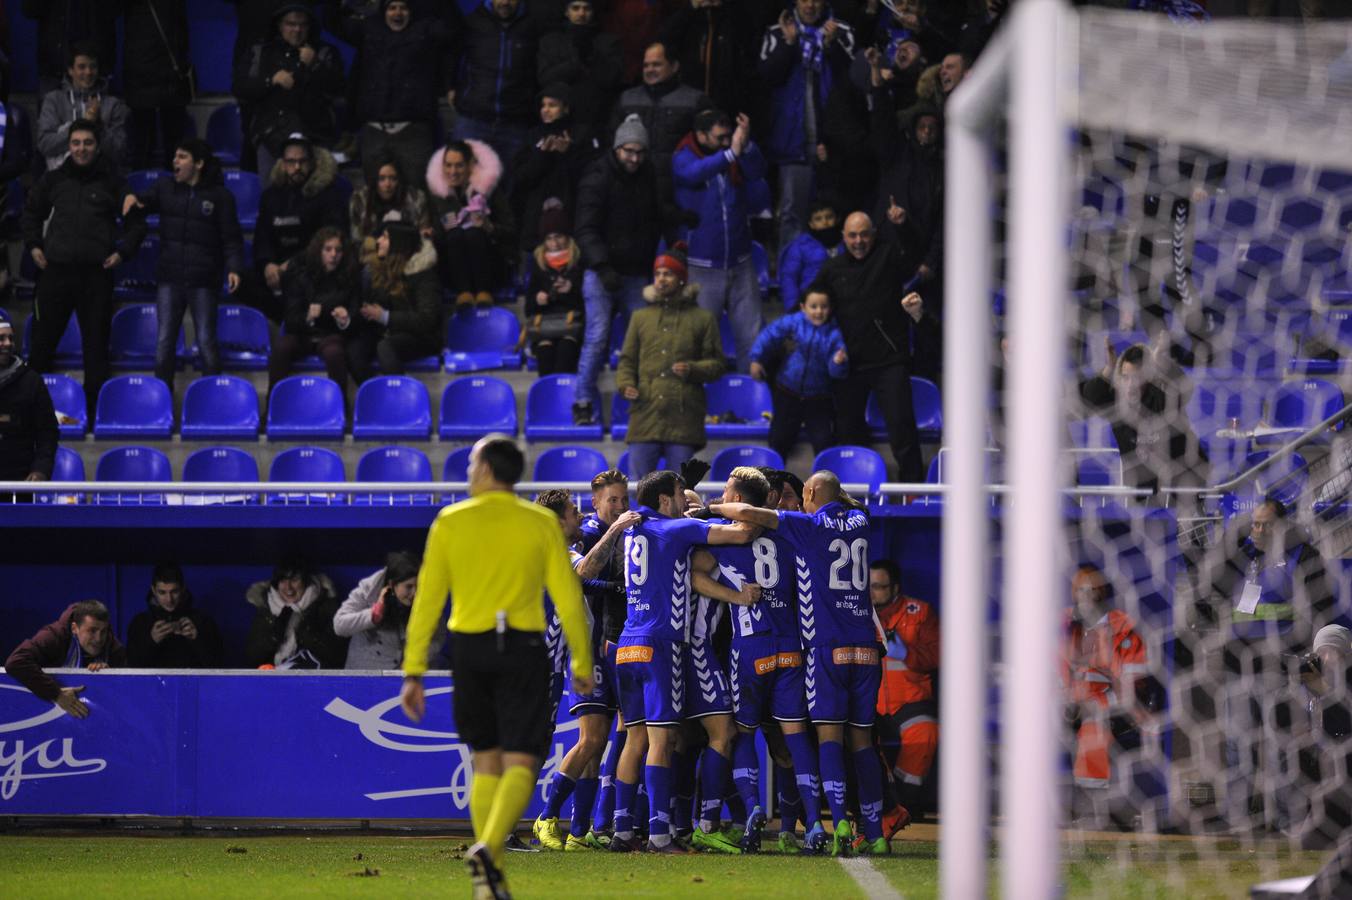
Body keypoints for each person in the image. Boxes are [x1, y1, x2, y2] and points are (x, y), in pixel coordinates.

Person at [400, 436, 595, 900]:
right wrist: (582, 661)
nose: (468, 469)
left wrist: (413, 671)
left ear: (486, 469)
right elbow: (567, 596)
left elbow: (428, 599)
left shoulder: (451, 521)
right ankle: (490, 850)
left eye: (471, 462)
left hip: (468, 648)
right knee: (524, 759)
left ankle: (488, 877)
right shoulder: (538, 523)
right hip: (523, 649)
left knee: (485, 758)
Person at [710, 470, 889, 856]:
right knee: (858, 741)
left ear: (809, 492)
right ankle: (869, 832)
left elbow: (744, 515)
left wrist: (705, 508)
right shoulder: (860, 520)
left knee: (819, 737)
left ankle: (835, 819)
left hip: (819, 648)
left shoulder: (804, 526)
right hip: (859, 647)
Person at [607, 469, 755, 853]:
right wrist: (710, 509)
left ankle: (622, 830)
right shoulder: (673, 530)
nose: (682, 501)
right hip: (661, 645)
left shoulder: (633, 532)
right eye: (678, 495)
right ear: (664, 501)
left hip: (627, 644)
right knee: (662, 741)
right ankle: (659, 835)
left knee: (634, 740)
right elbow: (743, 533)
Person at [691, 466, 823, 854]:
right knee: (796, 737)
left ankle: (752, 809)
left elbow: (696, 577)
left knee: (743, 732)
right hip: (791, 647)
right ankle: (813, 822)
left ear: (734, 497)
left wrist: (734, 596)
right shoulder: (790, 530)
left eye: (727, 492)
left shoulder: (725, 538)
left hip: (750, 647)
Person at [1206, 498, 1337, 831]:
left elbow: (1321, 609)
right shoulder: (1244, 558)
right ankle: (1237, 820)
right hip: (1238, 668)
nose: (1257, 530)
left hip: (1280, 670)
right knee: (1237, 746)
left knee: (1283, 749)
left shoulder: (1303, 557)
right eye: (1255, 523)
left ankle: (1289, 821)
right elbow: (1213, 593)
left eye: (1264, 524)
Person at [533, 489, 644, 850]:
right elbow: (585, 572)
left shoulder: (564, 553)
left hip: (574, 656)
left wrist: (615, 587)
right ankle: (546, 818)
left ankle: (579, 832)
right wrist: (614, 532)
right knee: (590, 739)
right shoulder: (554, 552)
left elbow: (587, 581)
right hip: (554, 661)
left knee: (595, 746)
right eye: (572, 512)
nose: (578, 517)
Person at [22, 119, 147, 423]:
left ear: (98, 146)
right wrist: (34, 245)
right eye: (75, 143)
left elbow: (137, 224)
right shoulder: (53, 179)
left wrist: (122, 252)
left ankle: (94, 416)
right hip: (55, 275)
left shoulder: (114, 182)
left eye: (87, 143)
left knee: (95, 349)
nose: (81, 148)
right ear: (68, 146)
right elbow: (30, 213)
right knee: (40, 347)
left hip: (96, 278)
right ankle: (32, 416)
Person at [571, 115, 676, 427]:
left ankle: (643, 400)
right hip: (601, 273)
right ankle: (582, 401)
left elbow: (658, 215)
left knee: (644, 339)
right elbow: (585, 228)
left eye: (639, 152)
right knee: (597, 335)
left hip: (636, 273)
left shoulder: (649, 176)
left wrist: (675, 238)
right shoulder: (597, 177)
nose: (634, 158)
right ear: (617, 149)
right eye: (628, 151)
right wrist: (602, 266)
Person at [810, 211, 929, 482]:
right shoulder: (832, 268)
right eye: (852, 235)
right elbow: (810, 302)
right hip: (850, 363)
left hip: (890, 360)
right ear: (843, 238)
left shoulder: (889, 256)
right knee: (847, 430)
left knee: (902, 429)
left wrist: (903, 226)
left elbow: (913, 256)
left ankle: (913, 492)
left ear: (873, 235)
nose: (859, 240)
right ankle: (854, 492)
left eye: (864, 234)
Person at [127, 138, 246, 397]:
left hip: (204, 279)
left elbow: (232, 239)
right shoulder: (165, 187)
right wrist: (132, 200)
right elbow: (143, 203)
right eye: (174, 156)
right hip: (169, 277)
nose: (175, 162)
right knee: (164, 342)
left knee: (205, 341)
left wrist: (235, 267)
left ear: (199, 163)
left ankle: (212, 397)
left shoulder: (220, 197)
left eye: (182, 157)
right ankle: (163, 399)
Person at [1061, 562, 1163, 828]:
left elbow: (1134, 689)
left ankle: (1091, 810)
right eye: (1078, 590)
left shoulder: (1124, 630)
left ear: (1101, 592)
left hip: (1120, 709)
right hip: (1070, 706)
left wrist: (1092, 706)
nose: (1082, 597)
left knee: (1093, 729)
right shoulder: (1064, 627)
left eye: (1089, 590)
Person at [615, 244, 726, 479]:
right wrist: (625, 384)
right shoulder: (640, 318)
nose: (661, 279)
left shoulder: (703, 318)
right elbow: (627, 360)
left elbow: (717, 364)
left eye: (668, 273)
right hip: (645, 414)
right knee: (639, 489)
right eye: (657, 274)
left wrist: (693, 369)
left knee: (681, 493)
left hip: (683, 419)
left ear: (682, 279)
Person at [672, 109, 767, 373]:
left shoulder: (734, 153)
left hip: (740, 259)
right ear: (701, 135)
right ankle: (698, 398)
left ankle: (754, 396)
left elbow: (757, 170)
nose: (727, 142)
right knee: (699, 338)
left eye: (729, 137)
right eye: (719, 137)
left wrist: (745, 144)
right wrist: (731, 153)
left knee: (752, 333)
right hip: (702, 264)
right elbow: (694, 173)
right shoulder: (683, 156)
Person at [758, 0, 856, 250]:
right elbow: (767, 78)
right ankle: (791, 274)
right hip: (791, 139)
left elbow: (852, 82)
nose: (810, 5)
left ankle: (834, 276)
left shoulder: (842, 31)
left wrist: (832, 46)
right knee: (792, 212)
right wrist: (789, 44)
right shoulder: (776, 32)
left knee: (834, 211)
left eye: (816, 0)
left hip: (833, 141)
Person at [332, 0, 455, 190]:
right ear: (384, 11)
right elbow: (332, 21)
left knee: (418, 196)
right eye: (392, 8)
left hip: (414, 133)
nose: (397, 13)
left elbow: (453, 30)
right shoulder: (368, 29)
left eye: (403, 7)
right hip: (374, 132)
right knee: (375, 195)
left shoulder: (426, 31)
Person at [1079, 337, 1208, 495]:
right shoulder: (1118, 403)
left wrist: (1161, 361)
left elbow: (1183, 388)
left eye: (1137, 377)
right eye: (1126, 377)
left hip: (1183, 486)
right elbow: (1091, 396)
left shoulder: (1159, 397)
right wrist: (1109, 367)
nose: (1131, 384)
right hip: (1143, 493)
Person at [233, 2, 346, 176]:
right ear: (279, 25)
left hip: (314, 138)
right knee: (272, 198)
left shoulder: (325, 52)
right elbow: (239, 88)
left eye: (302, 25)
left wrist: (315, 65)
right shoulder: (260, 51)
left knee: (313, 199)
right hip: (269, 137)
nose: (297, 30)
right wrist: (270, 81)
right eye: (291, 24)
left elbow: (339, 89)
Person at [870, 558, 938, 834]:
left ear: (894, 587)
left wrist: (907, 653)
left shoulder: (920, 612)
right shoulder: (857, 611)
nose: (873, 593)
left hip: (910, 698)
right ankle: (877, 807)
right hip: (870, 700)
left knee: (925, 732)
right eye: (869, 586)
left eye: (880, 587)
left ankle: (904, 806)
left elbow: (938, 654)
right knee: (859, 742)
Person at [252, 133, 349, 321]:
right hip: (277, 266)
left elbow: (330, 238)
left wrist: (293, 264)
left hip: (310, 265)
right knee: (240, 281)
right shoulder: (271, 196)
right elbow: (262, 237)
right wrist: (267, 265)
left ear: (311, 162)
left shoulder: (328, 194)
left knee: (301, 279)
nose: (297, 167)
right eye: (291, 162)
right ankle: (285, 318)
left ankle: (293, 322)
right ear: (282, 163)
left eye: (302, 161)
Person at [749, 286, 848, 462]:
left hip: (819, 398)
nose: (819, 311)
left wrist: (838, 363)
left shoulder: (834, 334)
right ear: (803, 307)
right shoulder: (793, 322)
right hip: (788, 392)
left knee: (824, 443)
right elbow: (769, 336)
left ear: (830, 308)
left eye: (823, 307)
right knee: (778, 441)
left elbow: (837, 374)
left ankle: (824, 486)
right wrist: (756, 359)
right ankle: (774, 485)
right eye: (814, 306)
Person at [268, 227, 364, 392]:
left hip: (330, 334)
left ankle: (340, 406)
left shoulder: (350, 277)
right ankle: (273, 405)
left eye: (338, 250)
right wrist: (308, 317)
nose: (334, 255)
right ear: (318, 251)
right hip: (302, 333)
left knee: (335, 352)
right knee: (281, 346)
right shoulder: (300, 275)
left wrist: (345, 320)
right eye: (328, 249)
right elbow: (290, 319)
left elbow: (357, 318)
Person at [347, 220, 442, 382]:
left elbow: (427, 319)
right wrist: (351, 316)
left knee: (385, 346)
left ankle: (399, 400)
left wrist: (386, 316)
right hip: (386, 330)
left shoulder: (423, 275)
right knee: (354, 350)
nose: (378, 242)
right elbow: (372, 307)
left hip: (421, 336)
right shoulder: (378, 269)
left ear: (399, 243)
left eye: (385, 237)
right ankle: (376, 397)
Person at [452, 0, 541, 171]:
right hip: (474, 121)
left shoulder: (533, 26)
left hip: (516, 124)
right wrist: (451, 87)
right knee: (464, 187)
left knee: (513, 190)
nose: (505, 2)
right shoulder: (472, 22)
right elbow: (451, 56)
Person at [509, 84, 592, 266]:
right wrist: (542, 156)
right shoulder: (532, 136)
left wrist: (568, 153)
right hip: (534, 218)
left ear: (566, 108)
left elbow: (587, 177)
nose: (546, 110)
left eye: (552, 105)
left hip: (570, 214)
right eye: (543, 105)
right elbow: (520, 177)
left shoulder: (580, 135)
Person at [610, 43, 712, 189]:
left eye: (656, 64)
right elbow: (612, 143)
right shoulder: (626, 99)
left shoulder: (696, 101)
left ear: (674, 66)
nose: (650, 70)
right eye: (646, 65)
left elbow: (711, 145)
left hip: (681, 188)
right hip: (636, 187)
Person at [425, 139, 511, 308]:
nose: (453, 172)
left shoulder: (489, 190)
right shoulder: (436, 195)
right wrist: (438, 231)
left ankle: (483, 291)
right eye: (448, 165)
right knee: (455, 234)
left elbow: (511, 231)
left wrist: (489, 227)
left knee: (473, 233)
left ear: (471, 165)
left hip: (491, 265)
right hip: (453, 271)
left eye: (459, 165)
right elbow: (437, 241)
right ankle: (463, 292)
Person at [4, 600, 125, 718]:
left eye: (103, 631)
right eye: (92, 631)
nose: (99, 639)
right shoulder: (54, 636)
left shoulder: (114, 649)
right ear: (74, 628)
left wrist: (109, 676)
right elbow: (16, 662)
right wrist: (57, 694)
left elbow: (124, 693)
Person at [334, 551, 445, 671]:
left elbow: (438, 637)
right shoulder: (369, 590)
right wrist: (373, 615)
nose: (415, 593)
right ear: (392, 584)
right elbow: (340, 625)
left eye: (419, 586)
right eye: (409, 587)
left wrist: (416, 658)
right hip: (365, 674)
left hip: (407, 675)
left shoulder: (426, 596)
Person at [536, 0, 623, 146]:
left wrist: (591, 54)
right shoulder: (550, 41)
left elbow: (612, 79)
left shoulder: (608, 42)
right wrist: (575, 64)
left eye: (586, 8)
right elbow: (544, 78)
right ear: (566, 11)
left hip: (594, 122)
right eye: (575, 8)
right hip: (557, 123)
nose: (581, 13)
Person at [120, 0, 192, 171]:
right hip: (161, 74)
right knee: (160, 144)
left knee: (149, 146)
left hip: (152, 74)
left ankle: (145, 187)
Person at [35, 41, 129, 171]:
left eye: (93, 67)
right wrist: (81, 124)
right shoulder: (54, 100)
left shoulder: (113, 105)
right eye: (82, 67)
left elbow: (120, 153)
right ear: (70, 70)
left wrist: (98, 126)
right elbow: (45, 145)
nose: (88, 72)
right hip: (61, 180)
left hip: (102, 181)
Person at [656, 0, 759, 117]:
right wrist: (692, 7)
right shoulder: (688, 16)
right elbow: (663, 41)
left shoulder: (737, 16)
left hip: (728, 105)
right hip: (689, 102)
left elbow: (749, 47)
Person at [243, 559, 348, 669]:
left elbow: (336, 655)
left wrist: (305, 632)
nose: (288, 587)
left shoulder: (326, 607)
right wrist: (273, 636)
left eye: (294, 580)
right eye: (283, 580)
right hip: (273, 680)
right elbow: (252, 657)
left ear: (306, 582)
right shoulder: (267, 609)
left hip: (312, 680)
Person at [0, 312, 58, 503]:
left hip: (19, 485)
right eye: (1, 339)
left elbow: (48, 432)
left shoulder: (31, 381)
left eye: (10, 338)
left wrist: (40, 469)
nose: (8, 343)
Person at [523, 201, 586, 376]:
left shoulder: (579, 264)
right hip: (543, 327)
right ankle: (547, 399)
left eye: (558, 236)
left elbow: (587, 304)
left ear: (567, 237)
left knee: (566, 350)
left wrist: (571, 290)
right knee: (545, 353)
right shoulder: (538, 265)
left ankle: (565, 400)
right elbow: (528, 308)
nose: (555, 243)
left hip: (571, 325)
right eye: (549, 238)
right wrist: (538, 299)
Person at [126, 564, 226, 669]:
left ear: (183, 589)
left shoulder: (203, 621)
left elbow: (218, 666)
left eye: (174, 592)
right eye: (162, 592)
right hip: (152, 685)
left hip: (194, 685)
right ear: (153, 590)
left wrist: (198, 639)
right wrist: (151, 641)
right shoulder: (140, 623)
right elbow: (132, 668)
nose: (169, 599)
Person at [349, 154, 432, 253]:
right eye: (382, 178)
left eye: (393, 178)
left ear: (399, 179)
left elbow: (424, 235)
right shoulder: (360, 200)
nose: (387, 184)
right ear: (375, 180)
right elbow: (357, 241)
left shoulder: (416, 198)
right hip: (372, 256)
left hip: (409, 253)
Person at [779, 199, 843, 312]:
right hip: (811, 305)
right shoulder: (800, 245)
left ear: (837, 219)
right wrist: (793, 308)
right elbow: (789, 278)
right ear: (811, 224)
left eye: (829, 217)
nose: (825, 222)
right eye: (818, 219)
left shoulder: (847, 242)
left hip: (841, 303)